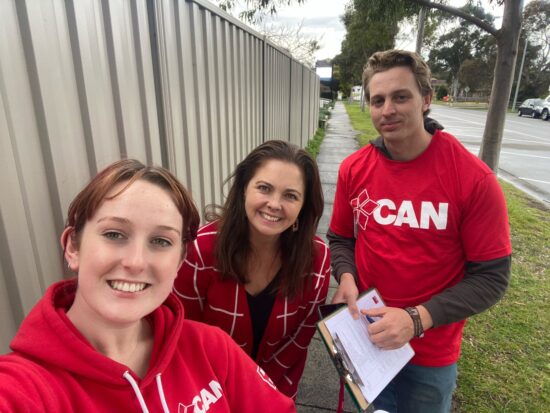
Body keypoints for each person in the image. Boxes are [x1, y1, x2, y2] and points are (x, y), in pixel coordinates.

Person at [0, 159, 296, 412]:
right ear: (73, 247)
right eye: (115, 234)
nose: (136, 262)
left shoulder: (211, 349)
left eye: (160, 241)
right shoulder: (25, 390)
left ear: (179, 262)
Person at [328, 50, 512, 413]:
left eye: (401, 96)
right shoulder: (354, 169)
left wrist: (416, 319)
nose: (387, 110)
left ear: (426, 99)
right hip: (367, 339)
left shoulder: (473, 179)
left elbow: (491, 278)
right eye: (377, 100)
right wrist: (345, 276)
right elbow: (340, 238)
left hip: (430, 355)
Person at [174, 140, 331, 399]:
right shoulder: (200, 250)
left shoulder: (316, 259)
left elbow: (299, 341)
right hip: (208, 390)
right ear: (243, 189)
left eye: (290, 195)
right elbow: (184, 336)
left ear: (303, 205)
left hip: (275, 390)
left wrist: (262, 394)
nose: (274, 204)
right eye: (264, 188)